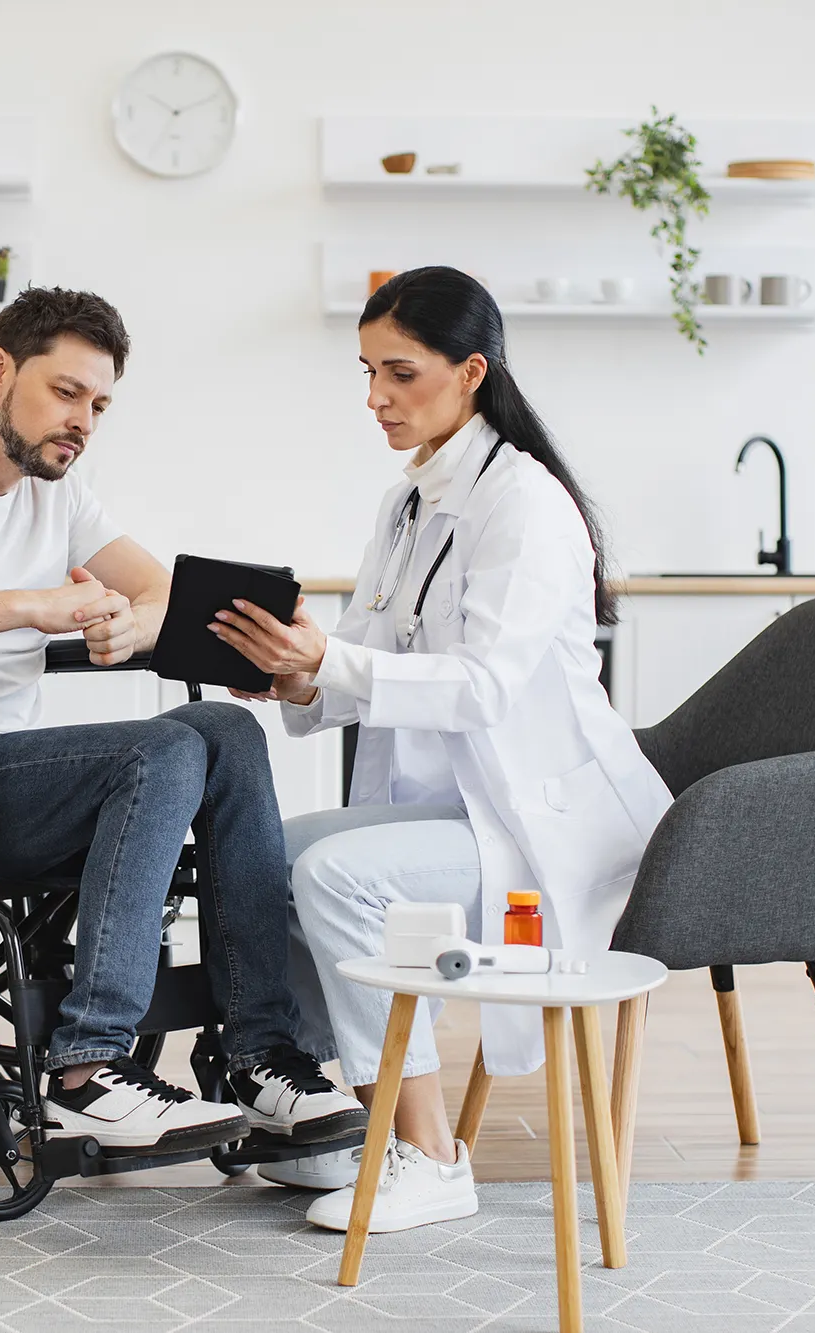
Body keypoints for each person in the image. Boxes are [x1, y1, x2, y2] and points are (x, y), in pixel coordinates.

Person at [0, 287, 365, 1157]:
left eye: (99, 404)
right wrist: (28, 605)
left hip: (3, 774)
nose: (84, 422)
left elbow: (161, 587)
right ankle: (85, 1071)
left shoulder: (58, 498)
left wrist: (132, 624)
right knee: (165, 747)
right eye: (67, 394)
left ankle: (258, 1054)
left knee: (229, 733)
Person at [210, 266, 674, 1230]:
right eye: (368, 371)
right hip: (458, 805)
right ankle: (321, 1117)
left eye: (400, 373)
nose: (375, 397)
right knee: (266, 855)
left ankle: (426, 1153)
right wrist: (294, 673)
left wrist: (332, 658)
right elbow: (370, 661)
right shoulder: (410, 501)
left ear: (470, 372)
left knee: (337, 876)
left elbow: (483, 685)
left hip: (539, 822)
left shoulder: (527, 506)